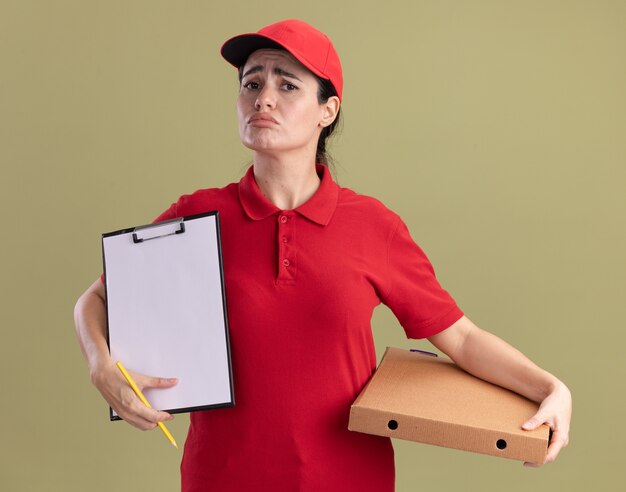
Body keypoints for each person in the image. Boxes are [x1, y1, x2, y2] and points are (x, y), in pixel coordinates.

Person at [74, 19, 572, 492]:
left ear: (327, 111)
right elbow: (96, 299)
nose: (263, 98)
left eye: (287, 85)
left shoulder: (373, 226)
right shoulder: (198, 214)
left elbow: (460, 338)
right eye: (251, 83)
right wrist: (101, 364)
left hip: (349, 479)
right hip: (220, 478)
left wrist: (550, 387)